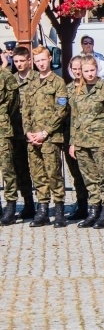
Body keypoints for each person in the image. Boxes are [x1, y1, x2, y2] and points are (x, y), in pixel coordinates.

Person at [68, 55, 104, 229]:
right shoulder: (77, 90)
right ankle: (94, 210)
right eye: (86, 71)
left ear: (97, 69)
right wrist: (72, 142)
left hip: (100, 140)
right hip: (81, 141)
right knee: (89, 178)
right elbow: (74, 117)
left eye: (92, 70)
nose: (89, 74)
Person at [22, 47, 68, 227]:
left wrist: (45, 132)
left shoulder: (58, 82)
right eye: (37, 60)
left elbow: (61, 110)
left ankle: (59, 211)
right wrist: (28, 132)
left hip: (50, 137)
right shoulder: (31, 84)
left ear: (50, 59)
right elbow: (25, 110)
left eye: (43, 59)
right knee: (38, 174)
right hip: (33, 138)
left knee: (53, 174)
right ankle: (42, 210)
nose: (41, 63)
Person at [5, 47, 35, 222]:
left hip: (33, 133)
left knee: (39, 171)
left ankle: (43, 204)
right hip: (16, 132)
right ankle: (28, 202)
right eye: (16, 61)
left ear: (29, 61)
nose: (19, 64)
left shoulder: (37, 79)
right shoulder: (12, 80)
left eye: (22, 61)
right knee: (19, 169)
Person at [63, 56, 91, 225]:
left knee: (91, 173)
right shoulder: (66, 89)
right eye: (74, 68)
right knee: (76, 174)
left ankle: (96, 206)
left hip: (88, 137)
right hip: (70, 136)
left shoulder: (91, 87)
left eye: (79, 68)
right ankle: (81, 205)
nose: (77, 71)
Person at [0, 63, 23, 224]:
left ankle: (10, 205)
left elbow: (13, 105)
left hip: (2, 129)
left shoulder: (6, 77)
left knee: (8, 169)